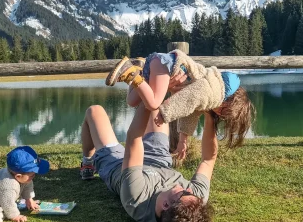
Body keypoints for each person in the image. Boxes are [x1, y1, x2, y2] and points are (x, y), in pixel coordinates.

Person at [80, 74, 217, 222]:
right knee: (156, 96)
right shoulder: (194, 199)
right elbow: (208, 159)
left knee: (94, 111)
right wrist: (211, 115)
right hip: (158, 159)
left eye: (183, 193)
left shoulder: (137, 198)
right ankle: (145, 73)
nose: (188, 188)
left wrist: (149, 98)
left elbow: (134, 139)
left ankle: (87, 162)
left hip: (118, 166)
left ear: (165, 205)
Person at [106, 49, 254, 160]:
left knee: (132, 101)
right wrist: (165, 113)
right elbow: (190, 98)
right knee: (154, 103)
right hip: (167, 66)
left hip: (162, 64)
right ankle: (130, 72)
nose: (219, 115)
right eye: (223, 113)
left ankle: (138, 68)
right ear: (226, 103)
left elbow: (190, 113)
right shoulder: (212, 93)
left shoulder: (210, 93)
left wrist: (183, 139)